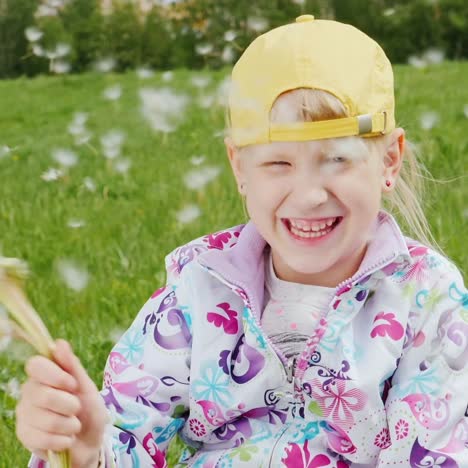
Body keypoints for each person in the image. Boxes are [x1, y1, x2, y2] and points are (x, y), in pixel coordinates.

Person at [17, 14, 468, 468]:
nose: (310, 194)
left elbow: (434, 454)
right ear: (239, 167)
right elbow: (126, 433)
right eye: (278, 163)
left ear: (390, 159)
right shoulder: (200, 289)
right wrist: (85, 447)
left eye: (337, 158)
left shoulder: (424, 298)